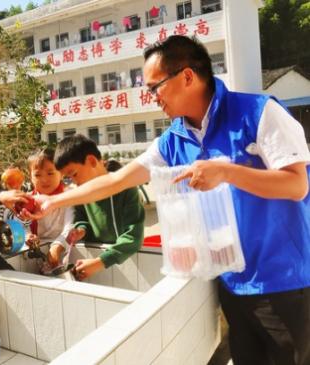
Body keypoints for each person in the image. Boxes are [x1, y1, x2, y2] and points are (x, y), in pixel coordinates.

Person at [28, 35, 310, 365]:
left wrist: (228, 172)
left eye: (154, 87)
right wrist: (52, 203)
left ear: (187, 76)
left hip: (285, 283)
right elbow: (118, 180)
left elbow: (296, 185)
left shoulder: (259, 113)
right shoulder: (173, 139)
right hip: (232, 285)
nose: (151, 98)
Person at [52, 135, 145, 281]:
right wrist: (81, 230)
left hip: (129, 265)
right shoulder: (81, 194)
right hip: (96, 264)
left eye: (74, 174)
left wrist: (100, 262)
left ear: (91, 161)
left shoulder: (126, 188)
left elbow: (133, 236)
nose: (74, 182)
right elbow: (82, 219)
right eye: (68, 178)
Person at [25, 148, 74, 268]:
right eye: (37, 175)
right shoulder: (27, 200)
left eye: (50, 173)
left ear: (61, 173)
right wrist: (27, 235)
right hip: (39, 254)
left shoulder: (70, 196)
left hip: (69, 250)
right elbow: (21, 224)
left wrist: (58, 246)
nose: (44, 179)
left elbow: (71, 226)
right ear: (30, 176)